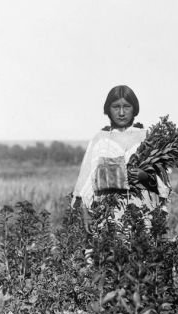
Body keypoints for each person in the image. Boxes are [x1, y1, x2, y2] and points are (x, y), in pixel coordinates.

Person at [72, 85, 170, 224]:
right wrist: (85, 212)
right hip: (107, 209)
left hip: (142, 209)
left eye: (127, 106)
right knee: (110, 243)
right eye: (116, 107)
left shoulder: (147, 137)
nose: (122, 112)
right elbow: (87, 178)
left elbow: (163, 179)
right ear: (108, 109)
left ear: (134, 108)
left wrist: (146, 176)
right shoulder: (101, 139)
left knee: (141, 244)